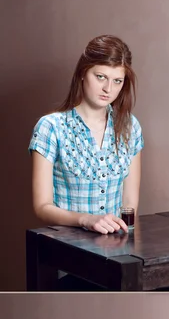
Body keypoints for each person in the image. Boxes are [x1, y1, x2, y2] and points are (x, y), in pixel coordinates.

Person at [29, 35, 143, 235]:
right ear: (83, 73)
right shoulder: (51, 127)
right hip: (66, 247)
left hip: (116, 251)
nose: (108, 88)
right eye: (100, 77)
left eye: (117, 81)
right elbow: (42, 206)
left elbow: (129, 205)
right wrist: (86, 219)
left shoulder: (130, 127)